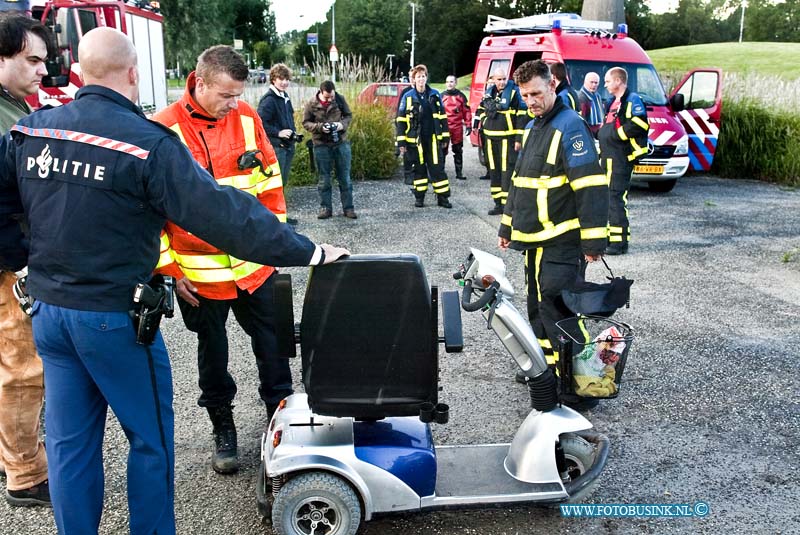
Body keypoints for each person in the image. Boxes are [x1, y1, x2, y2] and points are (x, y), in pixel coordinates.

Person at [0, 27, 349, 534]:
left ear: (77, 71)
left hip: (50, 316)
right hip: (113, 319)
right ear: (135, 74)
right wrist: (310, 251)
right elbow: (226, 216)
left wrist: (27, 264)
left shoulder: (36, 131)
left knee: (69, 443)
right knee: (150, 441)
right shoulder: (147, 143)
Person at [151, 45, 291, 475]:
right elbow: (150, 211)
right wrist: (170, 271)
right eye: (227, 95)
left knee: (273, 346)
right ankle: (222, 427)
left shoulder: (248, 118)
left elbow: (270, 186)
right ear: (201, 81)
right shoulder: (162, 129)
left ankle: (279, 420)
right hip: (198, 275)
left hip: (254, 268)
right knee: (214, 354)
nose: (235, 104)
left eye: (238, 95)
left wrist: (274, 244)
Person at [497, 59, 608, 380]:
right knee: (536, 307)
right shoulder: (533, 126)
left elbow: (590, 186)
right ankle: (546, 371)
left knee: (559, 311)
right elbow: (519, 182)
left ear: (552, 86)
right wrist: (507, 226)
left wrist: (593, 240)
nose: (531, 101)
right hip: (534, 241)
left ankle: (581, 381)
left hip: (562, 241)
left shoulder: (571, 126)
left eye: (536, 93)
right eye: (525, 96)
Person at [0, 13, 53, 508]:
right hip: (9, 264)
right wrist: (20, 265)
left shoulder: (14, 107)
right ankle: (26, 475)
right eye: (32, 60)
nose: (43, 70)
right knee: (22, 370)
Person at [598, 66, 649, 255]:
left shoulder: (632, 100)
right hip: (608, 156)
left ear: (618, 81)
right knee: (607, 198)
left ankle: (619, 243)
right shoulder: (613, 101)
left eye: (608, 81)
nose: (605, 84)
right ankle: (610, 238)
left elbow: (640, 124)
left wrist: (614, 135)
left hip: (620, 157)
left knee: (616, 198)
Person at [396, 64, 451, 209]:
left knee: (437, 168)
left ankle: (443, 198)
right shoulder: (407, 96)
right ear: (413, 79)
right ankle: (419, 198)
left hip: (432, 138)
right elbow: (400, 120)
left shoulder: (434, 94)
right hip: (415, 141)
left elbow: (443, 117)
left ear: (426, 78)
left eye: (423, 76)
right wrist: (401, 141)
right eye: (418, 76)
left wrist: (445, 136)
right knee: (419, 169)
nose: (421, 79)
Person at [475, 67, 527, 215]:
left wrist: (519, 139)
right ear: (493, 80)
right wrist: (483, 120)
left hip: (507, 139)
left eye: (504, 79)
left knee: (507, 172)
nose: (502, 82)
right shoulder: (488, 93)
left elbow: (521, 116)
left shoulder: (514, 92)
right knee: (494, 171)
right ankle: (498, 204)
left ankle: (508, 206)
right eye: (499, 79)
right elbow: (479, 111)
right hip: (490, 138)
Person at [302, 80, 356, 220]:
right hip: (321, 144)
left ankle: (348, 208)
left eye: (332, 96)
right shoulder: (311, 104)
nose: (330, 99)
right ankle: (325, 208)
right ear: (320, 92)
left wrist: (340, 125)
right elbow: (306, 123)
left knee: (344, 177)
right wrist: (320, 127)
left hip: (340, 143)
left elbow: (348, 116)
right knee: (324, 179)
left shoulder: (339, 98)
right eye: (327, 97)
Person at [257, 63, 299, 224]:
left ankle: (281, 217)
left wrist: (293, 133)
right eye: (281, 79)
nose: (284, 82)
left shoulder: (284, 97)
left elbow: (289, 119)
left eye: (287, 79)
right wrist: (278, 133)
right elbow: (260, 123)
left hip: (287, 146)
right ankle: (273, 220)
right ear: (273, 79)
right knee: (275, 184)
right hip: (277, 147)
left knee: (283, 183)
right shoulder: (269, 100)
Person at [440, 75, 471, 180]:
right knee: (442, 150)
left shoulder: (461, 96)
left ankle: (459, 173)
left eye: (452, 81)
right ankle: (441, 172)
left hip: (457, 127)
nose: (449, 83)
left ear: (456, 83)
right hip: (444, 127)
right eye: (447, 81)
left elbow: (467, 112)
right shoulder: (441, 96)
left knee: (458, 150)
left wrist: (468, 125)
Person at [578, 71, 604, 136]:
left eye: (596, 83)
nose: (594, 85)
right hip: (588, 133)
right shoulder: (581, 97)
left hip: (598, 132)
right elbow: (581, 119)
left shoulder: (597, 96)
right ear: (585, 82)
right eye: (591, 82)